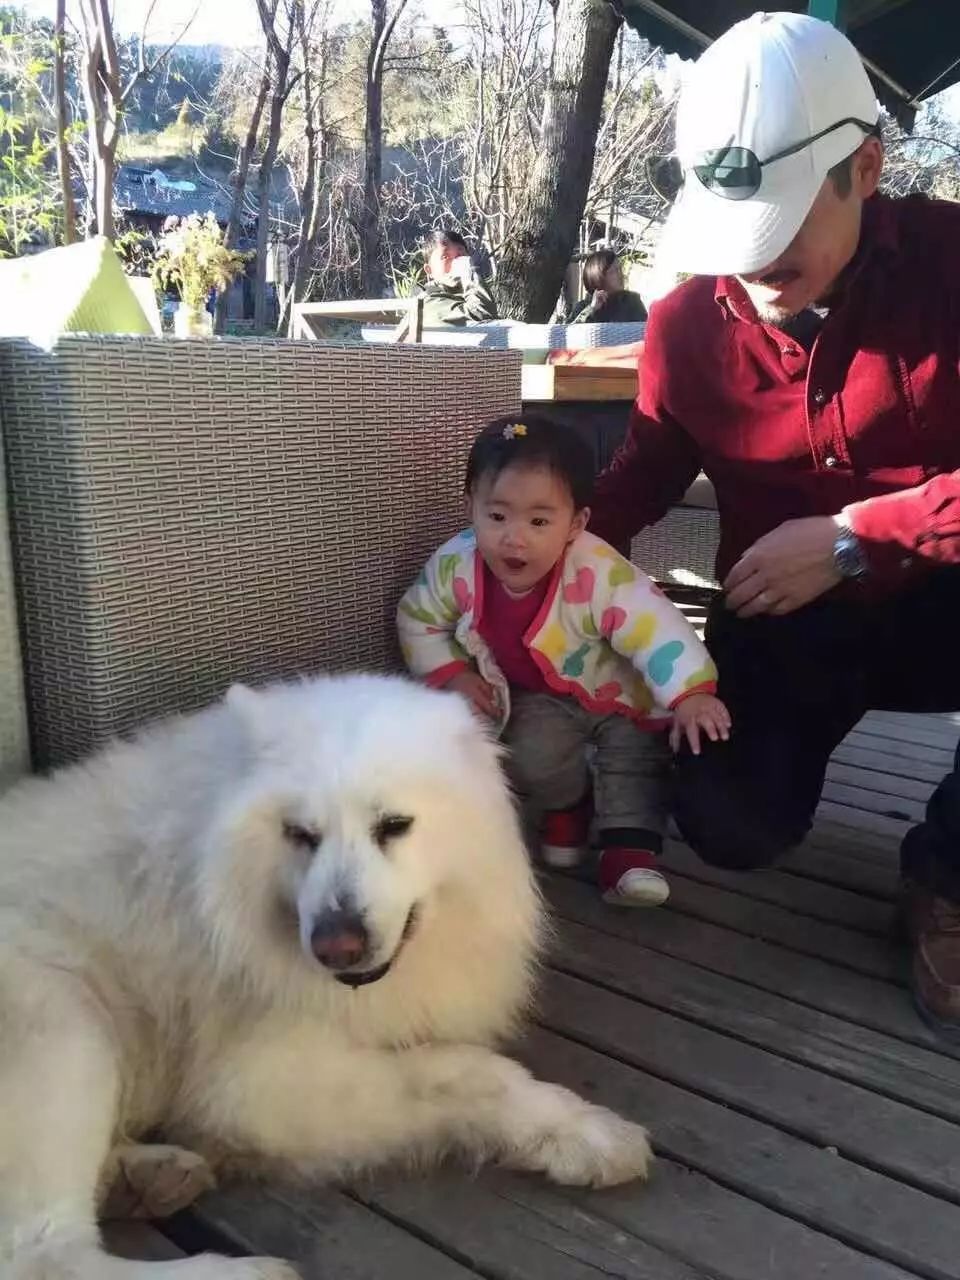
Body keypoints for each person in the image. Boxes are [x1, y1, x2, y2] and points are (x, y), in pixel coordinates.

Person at [588, 12, 960, 1032]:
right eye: (731, 230)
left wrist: (856, 536)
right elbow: (650, 466)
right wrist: (554, 539)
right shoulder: (684, 324)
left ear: (868, 166)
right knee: (728, 826)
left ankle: (949, 875)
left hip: (945, 602)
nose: (754, 265)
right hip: (782, 623)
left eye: (782, 221)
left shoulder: (951, 266)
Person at [397, 415, 730, 907]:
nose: (514, 538)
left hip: (623, 696)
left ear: (576, 523)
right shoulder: (455, 566)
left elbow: (655, 627)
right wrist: (453, 673)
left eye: (539, 521)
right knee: (528, 755)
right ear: (471, 508)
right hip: (540, 697)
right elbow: (418, 616)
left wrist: (690, 693)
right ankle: (569, 805)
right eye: (496, 517)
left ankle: (629, 854)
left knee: (633, 761)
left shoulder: (597, 572)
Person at [421, 228, 498, 327]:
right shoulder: (429, 301)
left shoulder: (470, 293)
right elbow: (484, 317)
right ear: (429, 270)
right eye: (445, 257)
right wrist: (469, 271)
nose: (456, 262)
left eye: (461, 255)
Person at [569, 249, 647, 324]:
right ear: (598, 276)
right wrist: (591, 309)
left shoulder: (632, 302)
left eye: (620, 269)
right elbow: (569, 333)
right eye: (614, 271)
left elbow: (645, 330)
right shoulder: (582, 307)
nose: (621, 275)